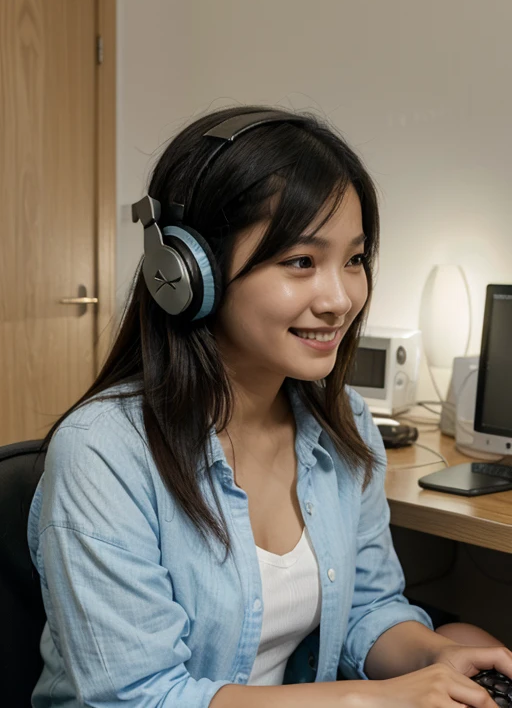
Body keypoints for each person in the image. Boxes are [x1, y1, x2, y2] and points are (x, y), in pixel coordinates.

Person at [28, 106, 511, 708]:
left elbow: (368, 607)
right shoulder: (104, 450)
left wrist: (429, 655)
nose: (341, 298)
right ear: (183, 275)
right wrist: (369, 701)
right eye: (301, 262)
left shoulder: (344, 425)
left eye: (355, 259)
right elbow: (138, 697)